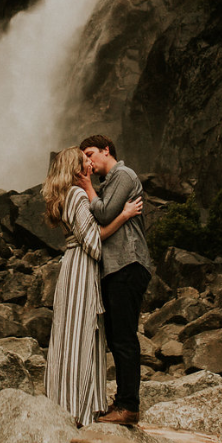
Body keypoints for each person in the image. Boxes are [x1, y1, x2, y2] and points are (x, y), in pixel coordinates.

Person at [43, 146, 143, 427]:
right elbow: (93, 240)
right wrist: (124, 215)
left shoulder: (66, 196)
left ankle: (65, 401)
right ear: (77, 170)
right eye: (85, 160)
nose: (90, 163)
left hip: (71, 266)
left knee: (69, 335)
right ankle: (78, 409)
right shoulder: (76, 195)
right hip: (81, 268)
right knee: (80, 336)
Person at [79, 133, 153, 426]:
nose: (88, 161)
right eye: (84, 157)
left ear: (106, 150)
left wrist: (86, 187)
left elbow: (105, 213)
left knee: (123, 337)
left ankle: (128, 407)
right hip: (116, 266)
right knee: (116, 336)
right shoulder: (108, 184)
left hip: (128, 263)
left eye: (91, 153)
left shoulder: (123, 174)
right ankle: (123, 402)